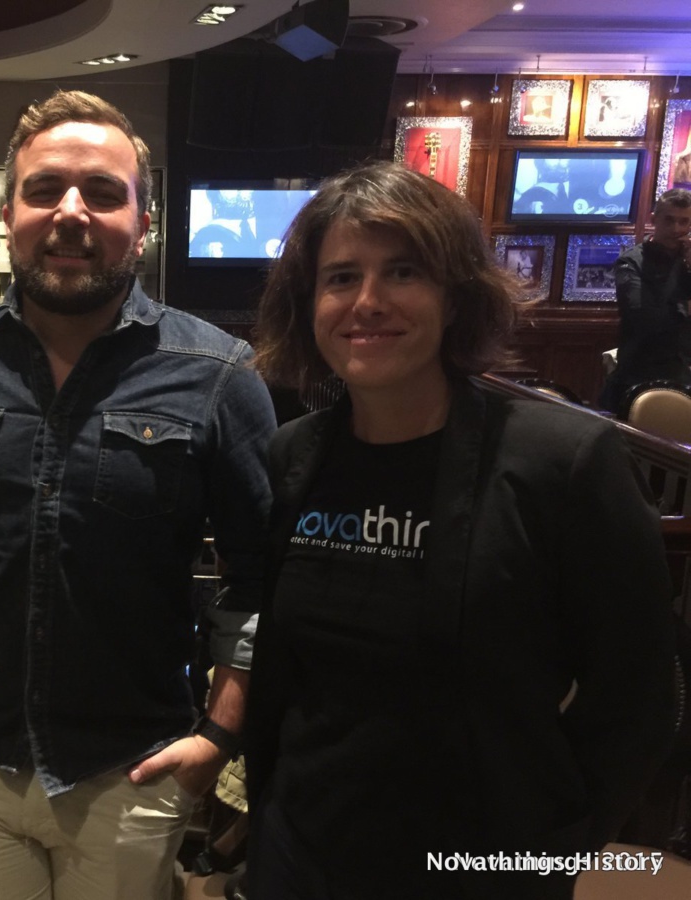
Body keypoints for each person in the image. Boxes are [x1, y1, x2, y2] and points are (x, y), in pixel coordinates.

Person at [0, 89, 275, 900]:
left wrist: (219, 736)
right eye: (45, 189)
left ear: (143, 224)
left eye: (103, 193)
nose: (71, 212)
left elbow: (260, 583)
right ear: (8, 214)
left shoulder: (218, 374)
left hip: (135, 769)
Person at [247, 161, 675, 899]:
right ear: (309, 303)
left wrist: (550, 854)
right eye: (341, 277)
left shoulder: (563, 460)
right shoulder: (294, 455)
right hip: (301, 857)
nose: (367, 301)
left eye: (403, 271)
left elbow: (637, 700)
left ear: (454, 296)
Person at [599, 188, 691, 416]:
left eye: (684, 222)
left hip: (683, 373)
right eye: (669, 220)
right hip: (639, 375)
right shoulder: (631, 262)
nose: (676, 229)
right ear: (653, 219)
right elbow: (645, 319)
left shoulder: (687, 261)